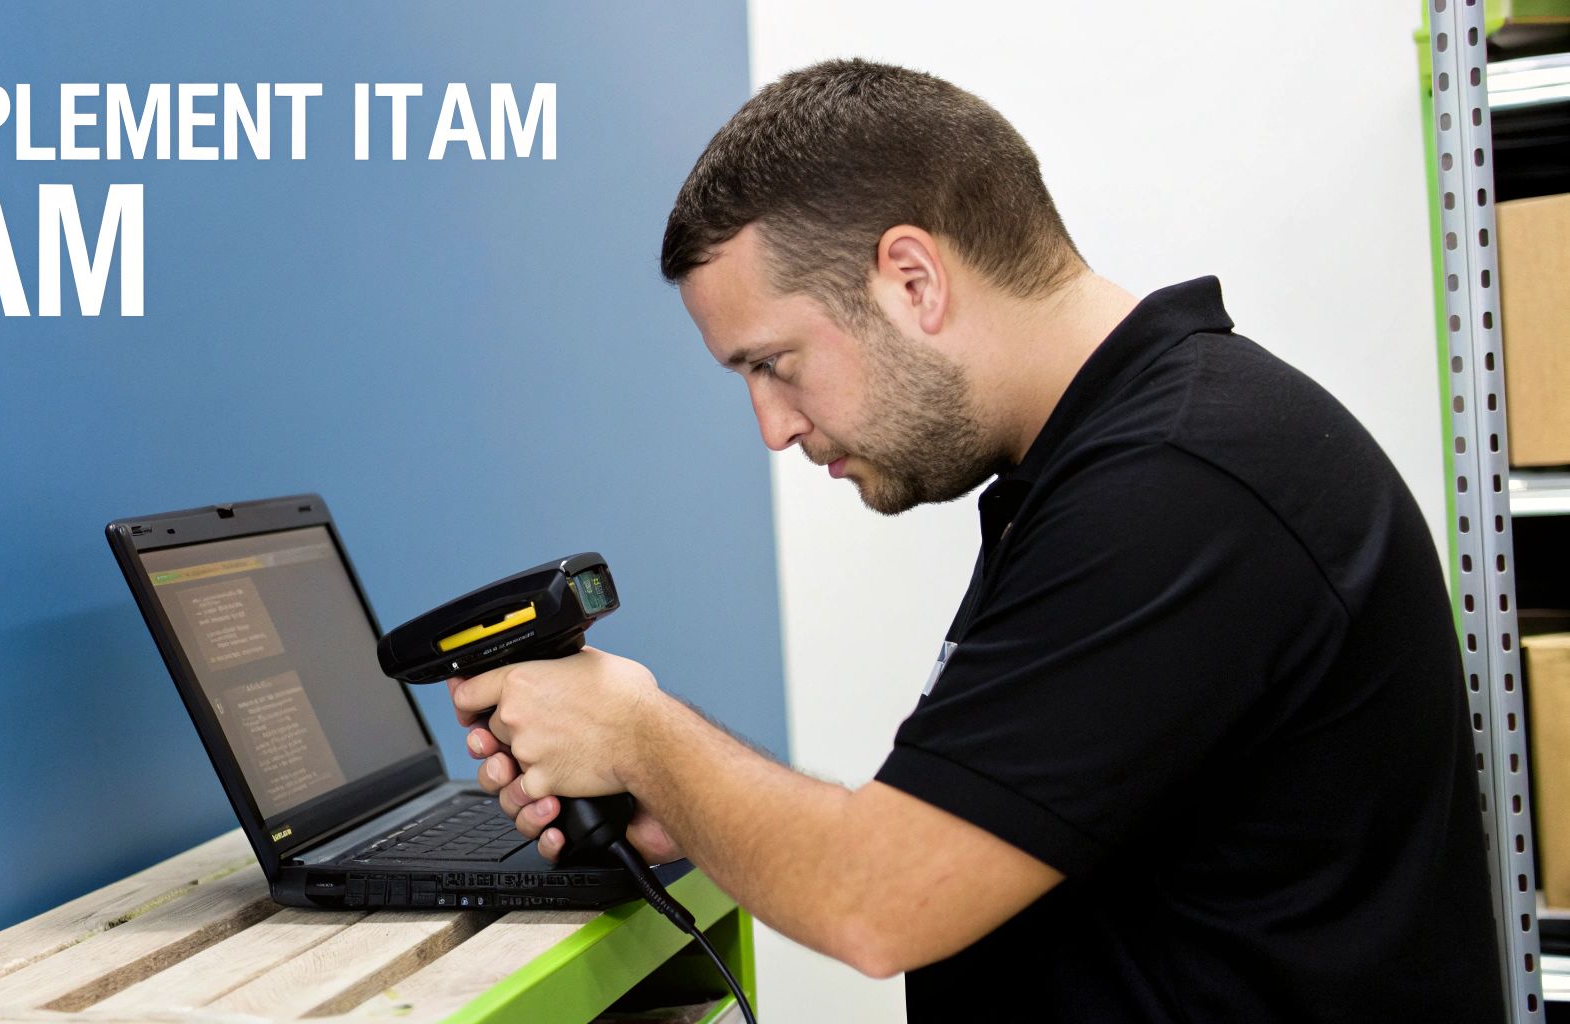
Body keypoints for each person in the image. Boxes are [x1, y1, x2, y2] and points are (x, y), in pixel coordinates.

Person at [445, 59, 1504, 1021]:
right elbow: (977, 828)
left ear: (911, 279)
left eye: (771, 363)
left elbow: (876, 899)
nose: (772, 426)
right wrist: (695, 807)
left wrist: (637, 730)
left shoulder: (1178, 489)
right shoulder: (1116, 458)